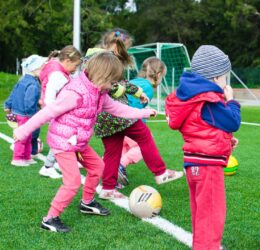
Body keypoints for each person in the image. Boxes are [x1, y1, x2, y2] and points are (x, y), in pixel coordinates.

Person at [13, 52, 157, 233]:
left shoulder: (100, 92)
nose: (115, 86)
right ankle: (50, 219)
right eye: (113, 82)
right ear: (102, 76)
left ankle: (87, 203)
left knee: (98, 167)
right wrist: (23, 131)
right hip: (63, 142)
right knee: (72, 182)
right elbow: (47, 112)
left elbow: (117, 109)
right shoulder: (75, 93)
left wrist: (143, 113)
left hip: (78, 142)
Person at [85, 29, 183, 199]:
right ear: (116, 46)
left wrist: (138, 93)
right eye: (125, 47)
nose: (126, 52)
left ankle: (108, 189)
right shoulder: (107, 61)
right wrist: (140, 108)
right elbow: (114, 87)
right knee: (144, 135)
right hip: (117, 114)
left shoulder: (97, 59)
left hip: (103, 118)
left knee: (112, 152)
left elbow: (121, 83)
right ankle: (160, 172)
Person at [165, 45, 241, 250]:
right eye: (224, 77)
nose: (225, 82)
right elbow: (233, 121)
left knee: (201, 214)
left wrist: (226, 140)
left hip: (194, 163)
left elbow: (202, 127)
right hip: (208, 167)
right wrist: (232, 100)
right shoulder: (208, 100)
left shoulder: (191, 97)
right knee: (211, 216)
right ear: (215, 77)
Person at [117, 57, 166, 187]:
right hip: (128, 121)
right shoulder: (148, 88)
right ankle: (120, 165)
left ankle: (113, 176)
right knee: (143, 146)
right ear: (159, 74)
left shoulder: (135, 81)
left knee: (123, 147)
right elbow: (133, 105)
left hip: (116, 120)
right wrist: (142, 114)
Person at [38, 45, 82, 179]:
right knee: (62, 138)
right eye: (75, 66)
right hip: (56, 112)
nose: (75, 70)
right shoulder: (58, 75)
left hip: (56, 110)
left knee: (69, 136)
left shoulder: (59, 71)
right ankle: (47, 167)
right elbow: (50, 94)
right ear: (67, 61)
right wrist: (53, 111)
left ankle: (68, 160)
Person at [4, 55, 47, 167]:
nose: (43, 71)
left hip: (18, 112)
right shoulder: (33, 84)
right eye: (42, 68)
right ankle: (18, 158)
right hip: (26, 115)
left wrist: (7, 104)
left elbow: (13, 93)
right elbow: (29, 102)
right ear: (35, 68)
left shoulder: (22, 80)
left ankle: (26, 157)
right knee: (23, 137)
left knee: (28, 136)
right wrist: (33, 115)